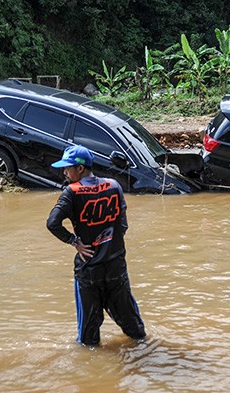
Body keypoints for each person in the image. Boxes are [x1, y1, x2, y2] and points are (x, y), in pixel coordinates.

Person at [46, 145, 146, 346]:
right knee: (134, 328)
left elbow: (52, 223)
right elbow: (122, 224)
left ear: (80, 169)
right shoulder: (113, 185)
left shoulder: (71, 192)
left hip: (88, 269)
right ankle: (144, 356)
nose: (64, 172)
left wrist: (75, 242)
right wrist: (110, 244)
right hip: (116, 267)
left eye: (67, 167)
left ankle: (90, 371)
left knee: (88, 337)